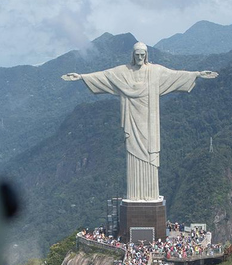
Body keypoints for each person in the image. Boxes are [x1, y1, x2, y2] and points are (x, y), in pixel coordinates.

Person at [62, 42, 217, 201]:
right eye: (137, 55)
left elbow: (175, 75)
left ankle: (150, 194)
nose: (140, 57)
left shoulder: (155, 71)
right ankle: (135, 195)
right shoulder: (124, 72)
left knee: (150, 155)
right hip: (133, 120)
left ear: (147, 55)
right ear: (133, 55)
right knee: (133, 154)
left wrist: (197, 74)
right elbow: (105, 76)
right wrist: (82, 77)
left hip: (150, 123)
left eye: (143, 54)